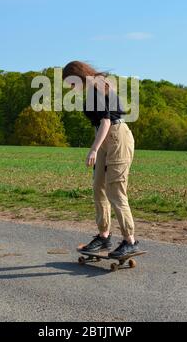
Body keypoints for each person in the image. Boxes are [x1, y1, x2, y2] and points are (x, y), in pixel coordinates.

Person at [62, 61, 140, 258]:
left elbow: (106, 120)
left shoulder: (97, 88)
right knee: (98, 187)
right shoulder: (93, 88)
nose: (71, 88)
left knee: (116, 191)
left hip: (116, 137)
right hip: (105, 136)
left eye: (71, 83)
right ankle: (104, 236)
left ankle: (130, 241)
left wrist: (93, 149)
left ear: (78, 76)